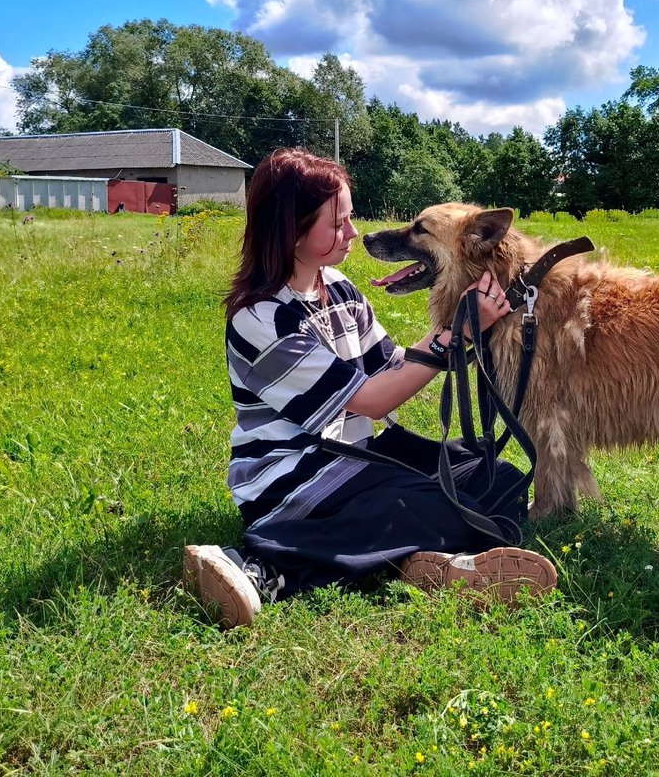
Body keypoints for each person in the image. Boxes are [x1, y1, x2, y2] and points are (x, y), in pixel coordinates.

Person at [183, 148, 557, 628]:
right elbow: (373, 400)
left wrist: (469, 328)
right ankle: (262, 567)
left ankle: (424, 564)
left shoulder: (337, 288)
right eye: (337, 223)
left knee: (498, 475)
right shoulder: (261, 318)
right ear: (291, 231)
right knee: (426, 501)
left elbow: (392, 365)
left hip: (356, 457)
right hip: (294, 478)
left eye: (350, 218)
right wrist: (457, 332)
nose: (353, 234)